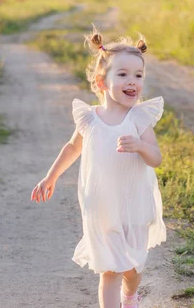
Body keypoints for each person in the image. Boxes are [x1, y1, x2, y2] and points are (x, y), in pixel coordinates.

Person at [30, 27, 166, 308]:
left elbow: (156, 158)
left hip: (134, 205)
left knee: (132, 268)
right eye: (123, 74)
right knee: (109, 269)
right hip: (101, 207)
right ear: (102, 81)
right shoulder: (90, 119)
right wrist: (51, 176)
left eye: (138, 76)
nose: (133, 82)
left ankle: (130, 296)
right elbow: (72, 148)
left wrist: (141, 146)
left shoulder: (139, 118)